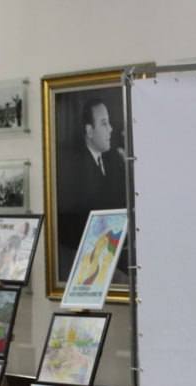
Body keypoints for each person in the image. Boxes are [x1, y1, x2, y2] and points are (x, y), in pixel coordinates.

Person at [57, 96, 126, 279]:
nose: (111, 129)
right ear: (89, 130)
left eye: (109, 123)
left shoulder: (112, 161)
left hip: (108, 250)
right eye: (104, 123)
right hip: (86, 258)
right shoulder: (75, 169)